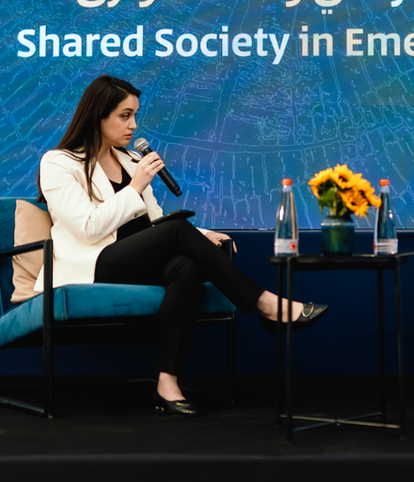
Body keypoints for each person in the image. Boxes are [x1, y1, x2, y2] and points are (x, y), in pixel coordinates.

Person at [36, 74, 327, 416]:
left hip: (136, 261)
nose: (133, 125)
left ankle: (167, 383)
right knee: (177, 232)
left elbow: (156, 221)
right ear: (97, 116)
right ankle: (265, 303)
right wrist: (135, 186)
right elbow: (87, 229)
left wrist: (201, 234)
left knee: (186, 268)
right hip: (94, 265)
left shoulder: (130, 160)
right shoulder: (59, 162)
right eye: (125, 115)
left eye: (135, 115)